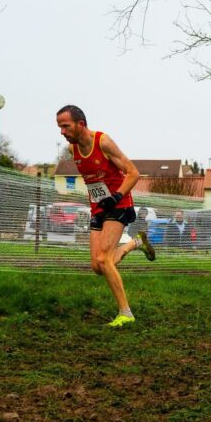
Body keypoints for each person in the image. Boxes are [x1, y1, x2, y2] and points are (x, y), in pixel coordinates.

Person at [56, 104, 156, 327]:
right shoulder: (73, 149)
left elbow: (133, 173)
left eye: (66, 126)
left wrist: (117, 196)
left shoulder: (103, 142)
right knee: (97, 266)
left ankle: (126, 313)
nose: (62, 132)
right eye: (59, 127)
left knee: (103, 258)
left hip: (118, 204)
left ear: (80, 124)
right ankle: (135, 243)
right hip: (98, 207)